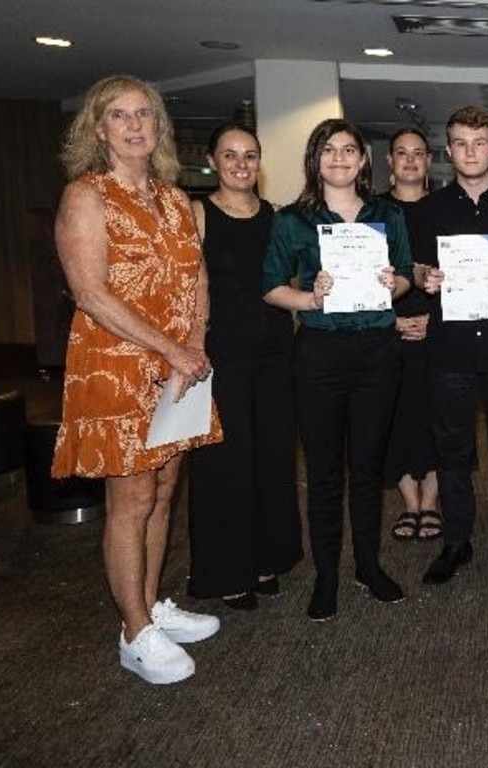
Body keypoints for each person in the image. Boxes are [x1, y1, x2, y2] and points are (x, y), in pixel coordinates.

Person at [51, 74, 222, 685]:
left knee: (164, 491)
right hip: (117, 364)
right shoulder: (86, 196)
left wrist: (194, 347)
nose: (133, 125)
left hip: (179, 366)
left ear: (158, 127)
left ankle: (149, 608)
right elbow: (90, 293)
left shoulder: (176, 198)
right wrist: (173, 349)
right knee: (131, 500)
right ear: (98, 128)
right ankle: (132, 633)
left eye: (144, 114)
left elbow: (198, 279)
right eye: (119, 116)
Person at [261, 118, 413, 622]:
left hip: (377, 352)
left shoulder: (387, 213)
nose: (341, 159)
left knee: (367, 470)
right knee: (324, 473)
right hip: (320, 354)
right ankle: (326, 576)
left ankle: (367, 566)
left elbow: (407, 278)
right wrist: (311, 296)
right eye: (330, 150)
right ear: (315, 159)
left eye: (350, 150)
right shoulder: (291, 220)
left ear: (363, 160)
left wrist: (392, 283)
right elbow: (271, 285)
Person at [409, 106, 488, 584]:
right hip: (452, 350)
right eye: (461, 143)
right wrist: (427, 278)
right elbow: (417, 271)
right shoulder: (429, 210)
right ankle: (456, 541)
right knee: (452, 451)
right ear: (449, 150)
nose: (470, 151)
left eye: (479, 142)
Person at [186, 123, 302, 611]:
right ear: (214, 160)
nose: (240, 164)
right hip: (222, 354)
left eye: (250, 155)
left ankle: (265, 558)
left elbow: (290, 280)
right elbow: (193, 284)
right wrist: (192, 345)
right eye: (230, 155)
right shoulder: (198, 213)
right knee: (224, 462)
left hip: (276, 350)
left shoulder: (276, 216)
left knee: (273, 458)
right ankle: (228, 570)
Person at [379, 128, 441, 542]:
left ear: (430, 161)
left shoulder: (446, 209)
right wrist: (392, 321)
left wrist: (435, 319)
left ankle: (432, 502)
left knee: (439, 415)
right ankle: (410, 502)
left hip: (441, 326)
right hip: (386, 328)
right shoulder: (370, 213)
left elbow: (463, 276)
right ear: (389, 162)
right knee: (394, 415)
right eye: (401, 153)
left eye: (418, 153)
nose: (410, 160)